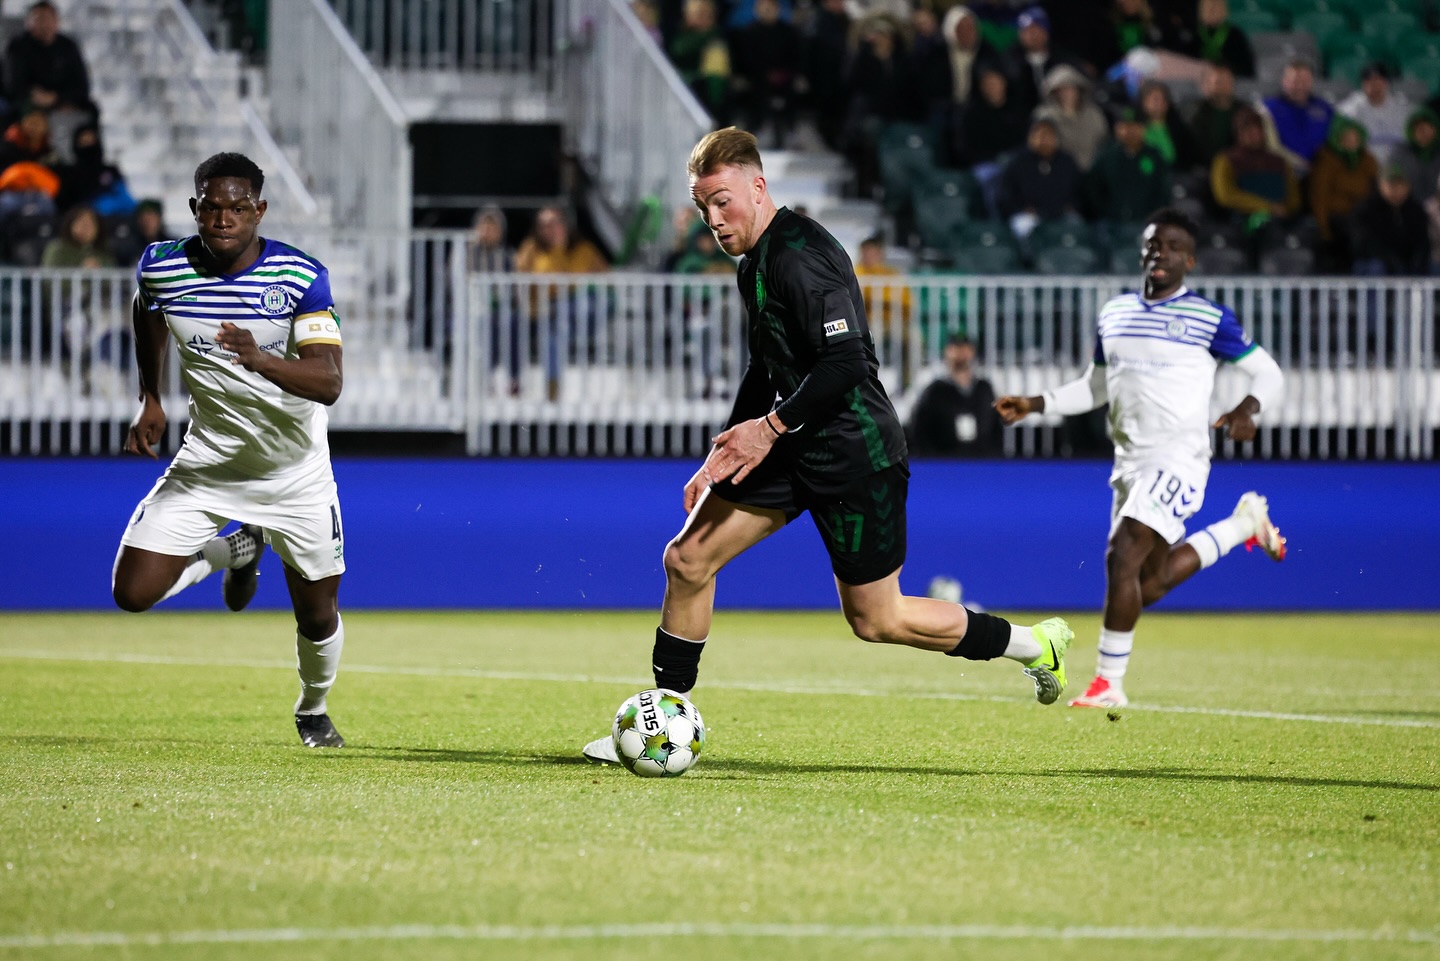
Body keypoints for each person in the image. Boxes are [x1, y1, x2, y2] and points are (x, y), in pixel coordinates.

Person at [583, 127, 1075, 763]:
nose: (713, 219)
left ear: (758, 188)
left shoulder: (801, 256)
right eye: (703, 207)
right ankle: (662, 722)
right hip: (792, 443)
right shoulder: (754, 263)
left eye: (722, 201)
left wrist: (768, 428)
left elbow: (846, 362)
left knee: (877, 619)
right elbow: (766, 367)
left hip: (854, 452)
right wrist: (724, 452)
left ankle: (1034, 645)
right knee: (687, 560)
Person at [995, 207, 1286, 708]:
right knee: (1147, 582)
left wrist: (1247, 410)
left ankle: (1108, 684)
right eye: (1153, 244)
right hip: (1129, 463)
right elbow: (1095, 387)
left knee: (1121, 553)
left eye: (1174, 247)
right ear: (1141, 252)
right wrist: (1036, 403)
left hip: (1179, 458)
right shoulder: (1114, 313)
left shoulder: (1209, 318)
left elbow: (1269, 373)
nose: (1160, 253)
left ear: (1190, 260)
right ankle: (1243, 525)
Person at [112, 152, 348, 749]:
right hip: (208, 465)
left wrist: (259, 358)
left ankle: (313, 709)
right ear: (195, 208)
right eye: (212, 207)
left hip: (294, 474)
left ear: (259, 210)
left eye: (237, 208)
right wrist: (150, 397)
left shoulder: (299, 277)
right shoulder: (162, 266)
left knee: (316, 614)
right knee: (131, 593)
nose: (223, 218)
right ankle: (237, 549)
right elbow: (148, 310)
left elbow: (328, 382)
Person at [906, 334, 1002, 457]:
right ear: (947, 353)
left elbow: (995, 426)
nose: (960, 355)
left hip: (981, 461)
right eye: (955, 349)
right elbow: (919, 429)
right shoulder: (935, 391)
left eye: (965, 349)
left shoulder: (984, 389)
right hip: (944, 460)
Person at [1085, 105, 1172, 224]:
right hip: (1111, 224)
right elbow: (1093, 189)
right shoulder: (1106, 156)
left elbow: (1164, 192)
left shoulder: (1155, 156)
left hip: (1145, 222)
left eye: (1135, 126)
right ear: (1117, 129)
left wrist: (1154, 217)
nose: (1130, 132)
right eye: (1125, 126)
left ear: (1143, 128)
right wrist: (1104, 213)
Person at [1350, 165, 1431, 276]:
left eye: (1400, 185)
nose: (1396, 190)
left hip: (1405, 265)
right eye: (1391, 185)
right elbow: (1364, 243)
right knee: (1377, 267)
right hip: (1374, 263)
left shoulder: (1416, 211)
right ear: (1380, 186)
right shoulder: (1366, 211)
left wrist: (1418, 261)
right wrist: (1389, 259)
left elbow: (1422, 243)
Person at [1259, 59, 1333, 175]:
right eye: (1295, 81)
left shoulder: (1325, 108)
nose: (1300, 86)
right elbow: (1271, 147)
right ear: (1284, 81)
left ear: (1311, 82)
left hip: (1321, 171)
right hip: (1283, 171)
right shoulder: (1268, 108)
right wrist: (1299, 164)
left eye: (1304, 81)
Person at [1034, 63, 1109, 172]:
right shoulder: (1045, 116)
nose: (1067, 94)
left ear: (1079, 90)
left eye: (1071, 88)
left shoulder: (1094, 114)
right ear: (1055, 92)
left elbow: (1104, 141)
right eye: (1062, 89)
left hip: (1093, 170)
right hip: (1060, 172)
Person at [1337, 62, 1411, 167]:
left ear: (1386, 83)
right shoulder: (1350, 109)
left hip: (1397, 168)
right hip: (1363, 167)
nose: (1375, 87)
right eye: (1370, 82)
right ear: (1363, 84)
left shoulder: (1402, 108)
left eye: (1379, 82)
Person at [1187, 62, 1238, 166]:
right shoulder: (1196, 113)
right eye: (1218, 82)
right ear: (1208, 85)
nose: (1223, 86)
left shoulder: (1244, 112)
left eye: (1227, 81)